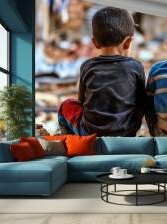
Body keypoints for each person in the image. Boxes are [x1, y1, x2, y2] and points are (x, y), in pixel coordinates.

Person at [58, 7, 145, 136]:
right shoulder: (136, 67)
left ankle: (76, 142)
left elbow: (82, 102)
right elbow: (141, 102)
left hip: (90, 133)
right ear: (128, 43)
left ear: (95, 43)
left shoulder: (87, 66)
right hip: (126, 132)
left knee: (66, 105)